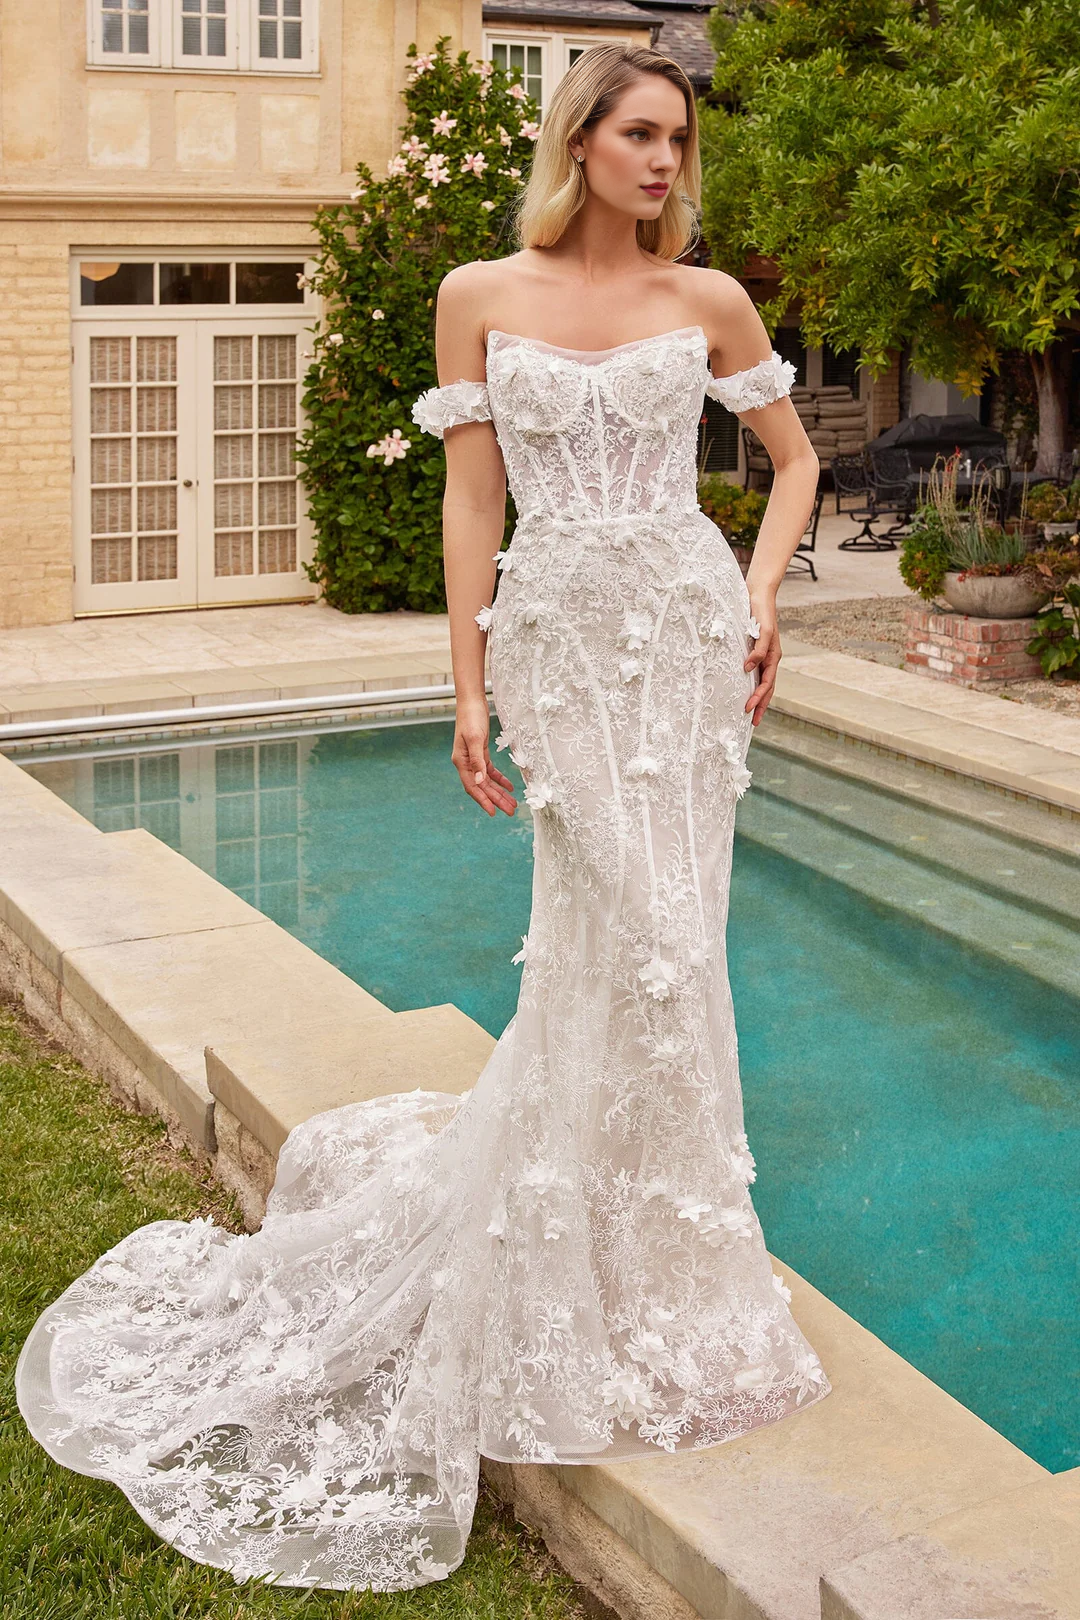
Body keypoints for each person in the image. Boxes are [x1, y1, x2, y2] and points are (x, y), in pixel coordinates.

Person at [16, 42, 830, 1596]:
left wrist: (757, 589)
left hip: (680, 646)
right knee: (623, 940)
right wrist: (463, 683)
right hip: (561, 653)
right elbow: (476, 498)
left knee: (673, 947)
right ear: (579, 139)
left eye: (680, 139)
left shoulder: (707, 304)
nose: (669, 162)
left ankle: (662, 1263)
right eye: (642, 133)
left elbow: (794, 464)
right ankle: (585, 1255)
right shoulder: (479, 291)